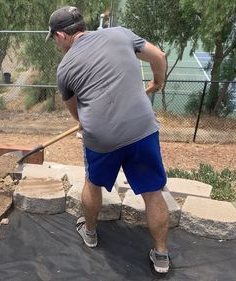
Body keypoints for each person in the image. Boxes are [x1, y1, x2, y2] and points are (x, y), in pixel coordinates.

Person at [46, 6, 170, 274]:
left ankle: (89, 232)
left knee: (93, 183)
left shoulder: (65, 68)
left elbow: (75, 113)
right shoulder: (120, 34)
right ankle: (161, 255)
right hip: (142, 129)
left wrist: (87, 124)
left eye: (54, 39)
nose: (57, 44)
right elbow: (158, 56)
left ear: (61, 35)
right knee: (153, 193)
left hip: (102, 138)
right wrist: (157, 82)